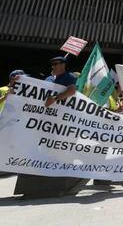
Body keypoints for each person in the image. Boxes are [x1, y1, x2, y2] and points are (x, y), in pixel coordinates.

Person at [15, 57, 85, 198]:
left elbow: (71, 91)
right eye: (52, 64)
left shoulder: (68, 77)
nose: (53, 66)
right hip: (46, 121)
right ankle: (41, 181)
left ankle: (60, 180)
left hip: (62, 122)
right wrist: (21, 81)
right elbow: (36, 89)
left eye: (56, 64)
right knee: (45, 148)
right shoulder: (48, 79)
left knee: (60, 150)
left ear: (63, 65)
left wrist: (56, 98)